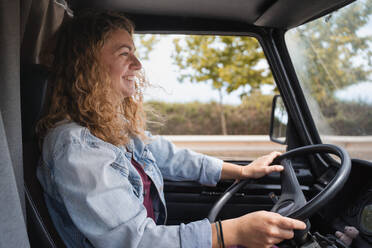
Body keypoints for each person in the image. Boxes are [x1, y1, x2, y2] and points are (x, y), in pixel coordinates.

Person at [36, 10, 306, 248]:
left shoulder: (108, 127)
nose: (138, 65)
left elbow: (167, 155)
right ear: (87, 65)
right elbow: (136, 241)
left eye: (134, 53)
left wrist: (241, 171)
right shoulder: (77, 145)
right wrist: (231, 232)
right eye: (124, 53)